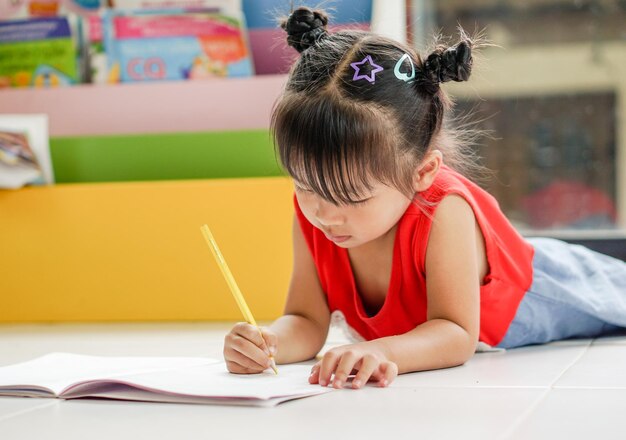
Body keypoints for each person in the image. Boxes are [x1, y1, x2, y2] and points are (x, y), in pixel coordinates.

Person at [223, 6, 626, 389]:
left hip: (539, 287)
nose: (324, 214)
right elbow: (306, 320)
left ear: (423, 173)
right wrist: (268, 342)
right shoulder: (316, 210)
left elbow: (455, 333)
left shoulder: (444, 209)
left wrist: (380, 350)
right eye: (305, 184)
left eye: (352, 196)